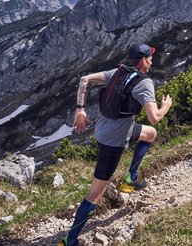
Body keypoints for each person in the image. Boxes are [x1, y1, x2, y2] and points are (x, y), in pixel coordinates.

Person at [58, 43, 173, 246]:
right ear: (143, 61)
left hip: (105, 129)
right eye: (150, 57)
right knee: (95, 195)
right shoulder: (144, 84)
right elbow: (154, 117)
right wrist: (165, 107)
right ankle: (69, 240)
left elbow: (85, 80)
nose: (152, 60)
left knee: (149, 134)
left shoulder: (117, 72)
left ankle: (130, 179)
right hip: (113, 143)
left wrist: (80, 110)